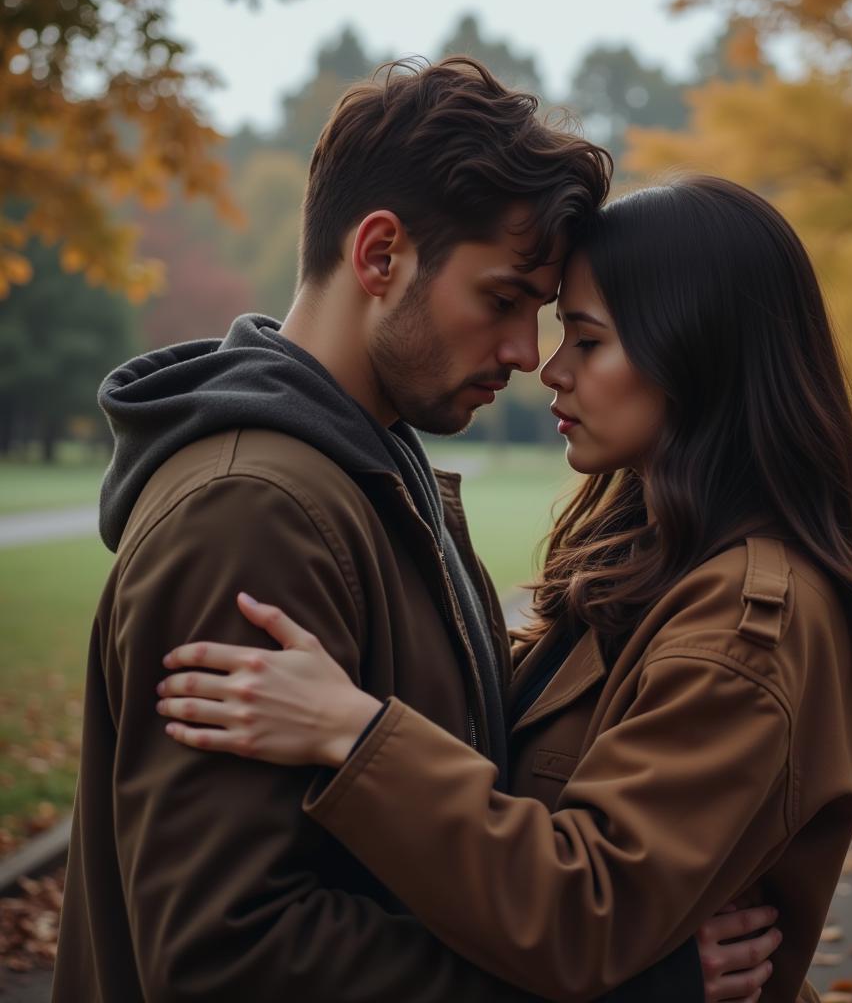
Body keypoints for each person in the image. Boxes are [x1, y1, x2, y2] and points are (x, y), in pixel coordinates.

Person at [53, 58, 774, 1003]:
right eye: (504, 299)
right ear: (381, 255)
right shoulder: (254, 513)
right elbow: (225, 955)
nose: (527, 355)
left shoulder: (370, 472)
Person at [157, 176, 852, 1002]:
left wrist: (355, 736)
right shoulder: (653, 563)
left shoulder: (746, 629)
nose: (549, 367)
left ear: (697, 357)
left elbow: (587, 911)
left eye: (588, 340)